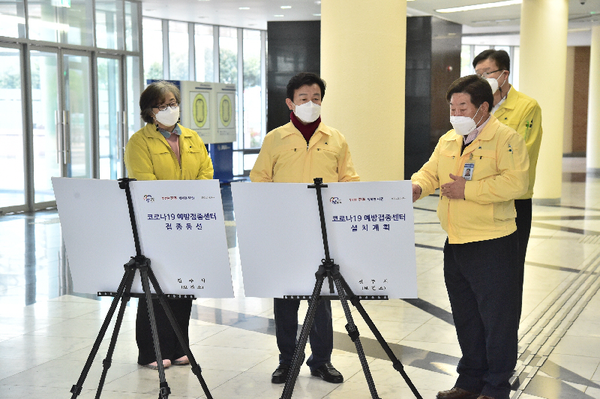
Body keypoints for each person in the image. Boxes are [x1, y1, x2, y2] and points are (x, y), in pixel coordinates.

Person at [411, 75, 529, 399]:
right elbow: (430, 171)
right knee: (466, 318)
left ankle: (496, 387)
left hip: (493, 242)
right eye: (452, 107)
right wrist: (418, 186)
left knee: (497, 322)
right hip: (457, 242)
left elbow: (517, 183)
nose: (456, 113)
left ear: (483, 108)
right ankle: (469, 382)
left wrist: (469, 190)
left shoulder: (506, 139)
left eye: (463, 106)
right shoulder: (449, 140)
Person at [250, 72, 359, 384]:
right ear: (290, 102)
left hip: (324, 235)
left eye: (316, 98)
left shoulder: (336, 139)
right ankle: (287, 360)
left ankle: (321, 361)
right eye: (303, 99)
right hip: (284, 233)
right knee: (285, 301)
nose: (310, 104)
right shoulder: (275, 139)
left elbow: (349, 181)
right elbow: (259, 181)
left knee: (321, 301)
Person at [124, 80, 214, 370]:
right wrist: (176, 200)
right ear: (150, 111)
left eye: (173, 103)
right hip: (157, 221)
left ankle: (178, 347)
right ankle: (151, 351)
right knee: (155, 286)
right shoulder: (139, 142)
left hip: (189, 221)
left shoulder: (191, 137)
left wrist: (190, 199)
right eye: (162, 105)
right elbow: (144, 180)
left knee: (183, 285)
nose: (169, 109)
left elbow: (206, 171)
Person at [472, 50, 543, 311]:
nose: (482, 78)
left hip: (513, 203)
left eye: (487, 73)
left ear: (504, 74)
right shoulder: (477, 106)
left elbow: (520, 154)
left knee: (508, 274)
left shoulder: (526, 107)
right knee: (482, 274)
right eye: (477, 74)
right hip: (479, 200)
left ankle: (505, 339)